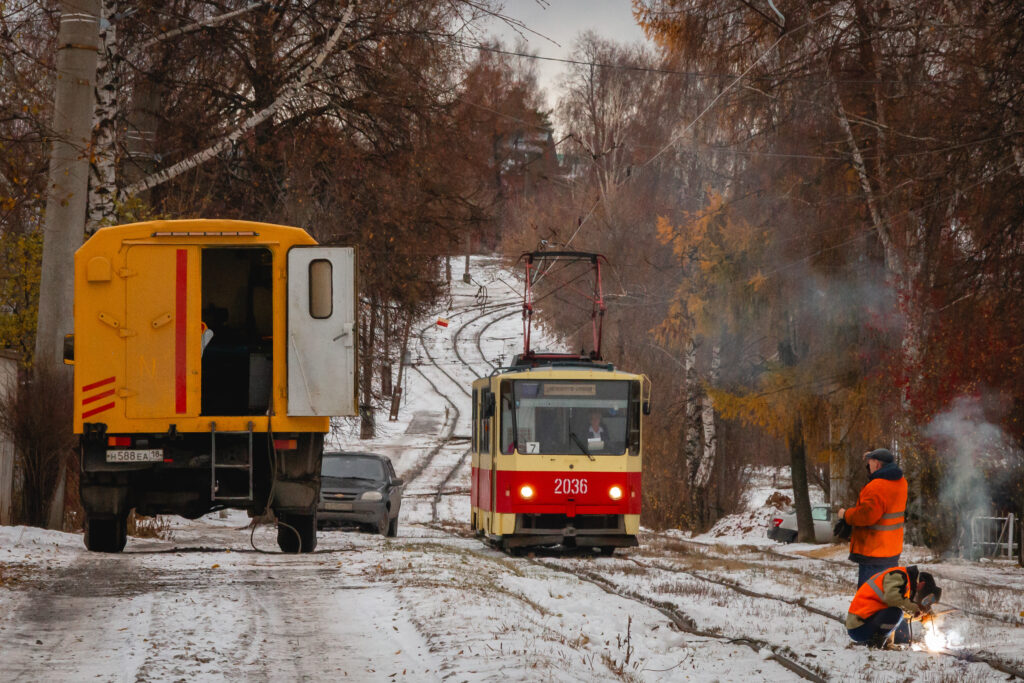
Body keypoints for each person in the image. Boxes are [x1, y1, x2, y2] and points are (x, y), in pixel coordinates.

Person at [838, 448, 908, 587]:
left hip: (873, 553)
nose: (867, 468)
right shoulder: (901, 483)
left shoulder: (876, 487)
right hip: (891, 549)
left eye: (869, 464)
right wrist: (873, 455)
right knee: (889, 595)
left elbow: (866, 516)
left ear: (876, 464)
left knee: (869, 599)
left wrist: (845, 515)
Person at [846, 565, 941, 648]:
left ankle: (881, 643)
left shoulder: (905, 584)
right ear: (922, 584)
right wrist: (914, 609)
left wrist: (922, 617)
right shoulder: (898, 576)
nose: (916, 598)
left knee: (896, 614)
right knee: (896, 614)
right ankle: (874, 644)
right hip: (858, 627)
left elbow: (902, 611)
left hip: (865, 623)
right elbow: (893, 600)